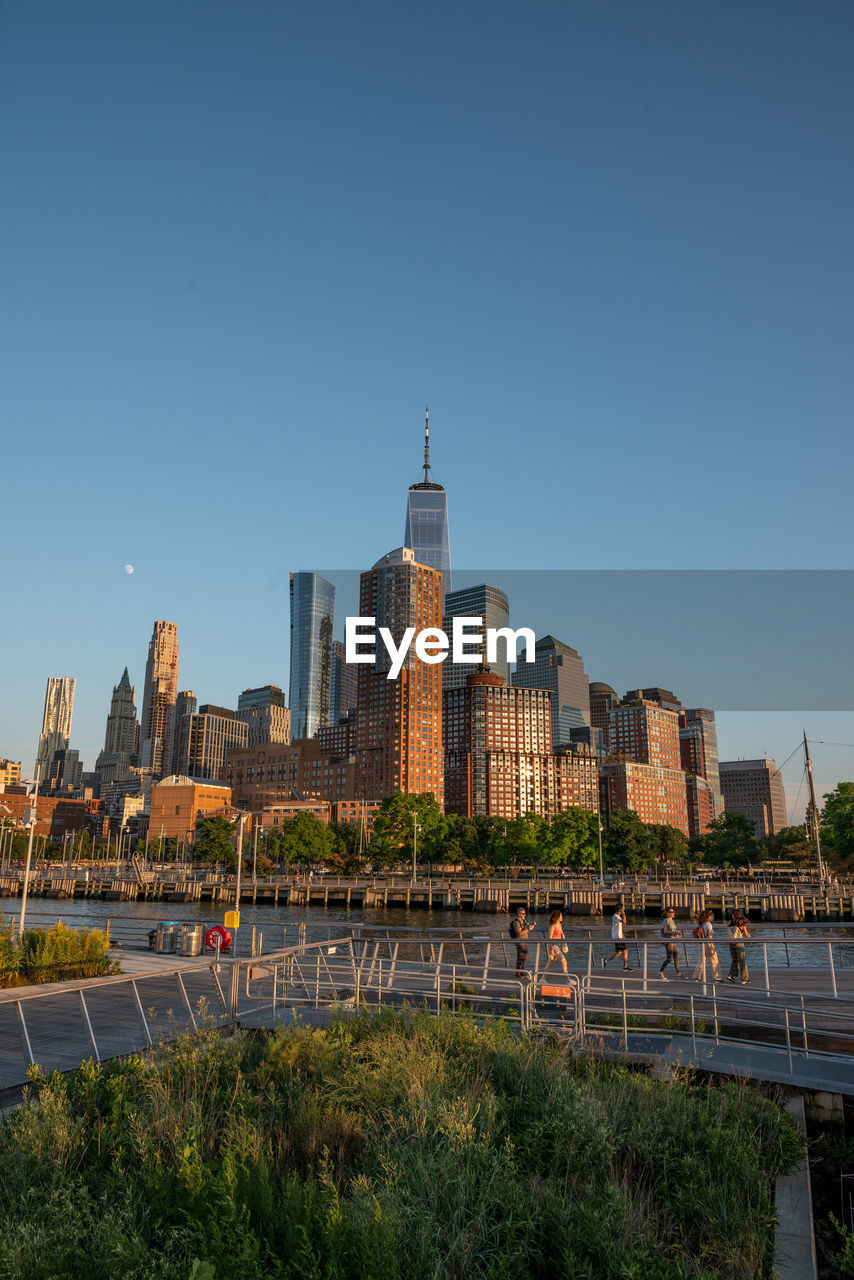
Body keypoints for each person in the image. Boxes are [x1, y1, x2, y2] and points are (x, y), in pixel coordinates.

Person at [602, 905, 634, 972]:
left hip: (619, 937)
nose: (623, 909)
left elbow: (619, 928)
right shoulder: (615, 916)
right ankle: (625, 967)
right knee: (625, 951)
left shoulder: (618, 917)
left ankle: (606, 961)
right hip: (617, 937)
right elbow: (624, 921)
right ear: (619, 910)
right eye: (622, 909)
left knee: (619, 952)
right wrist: (624, 914)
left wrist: (622, 935)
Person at [692, 909, 721, 982]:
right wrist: (711, 947)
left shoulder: (703, 924)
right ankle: (717, 977)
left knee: (701, 960)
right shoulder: (709, 925)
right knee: (714, 960)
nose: (713, 918)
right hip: (708, 944)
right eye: (713, 916)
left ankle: (696, 976)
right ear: (709, 917)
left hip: (702, 944)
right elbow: (709, 936)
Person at [509, 907, 536, 978]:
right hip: (519, 942)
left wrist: (532, 925)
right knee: (520, 957)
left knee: (524, 957)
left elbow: (528, 926)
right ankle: (517, 973)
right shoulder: (516, 922)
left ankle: (522, 971)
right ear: (519, 914)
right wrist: (528, 930)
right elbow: (520, 932)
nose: (525, 915)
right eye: (523, 914)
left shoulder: (524, 921)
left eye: (525, 914)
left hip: (524, 942)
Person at [542, 909, 568, 977]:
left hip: (559, 945)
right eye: (561, 916)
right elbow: (549, 938)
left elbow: (562, 936)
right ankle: (568, 979)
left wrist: (563, 946)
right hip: (554, 946)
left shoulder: (559, 925)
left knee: (550, 964)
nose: (562, 917)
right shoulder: (552, 926)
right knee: (564, 961)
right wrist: (551, 950)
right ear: (557, 917)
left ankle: (542, 979)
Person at [658, 907, 682, 980]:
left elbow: (672, 931)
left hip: (672, 940)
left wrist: (676, 934)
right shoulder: (666, 921)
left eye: (674, 912)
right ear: (667, 913)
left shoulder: (672, 921)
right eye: (672, 912)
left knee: (676, 956)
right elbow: (665, 931)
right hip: (668, 941)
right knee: (669, 958)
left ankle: (679, 973)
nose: (674, 913)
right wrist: (674, 932)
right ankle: (660, 971)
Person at [727, 912, 750, 984]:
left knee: (735, 959)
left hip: (731, 943)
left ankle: (731, 975)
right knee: (742, 960)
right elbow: (746, 935)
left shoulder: (730, 922)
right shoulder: (741, 924)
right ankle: (744, 979)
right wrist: (748, 935)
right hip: (739, 943)